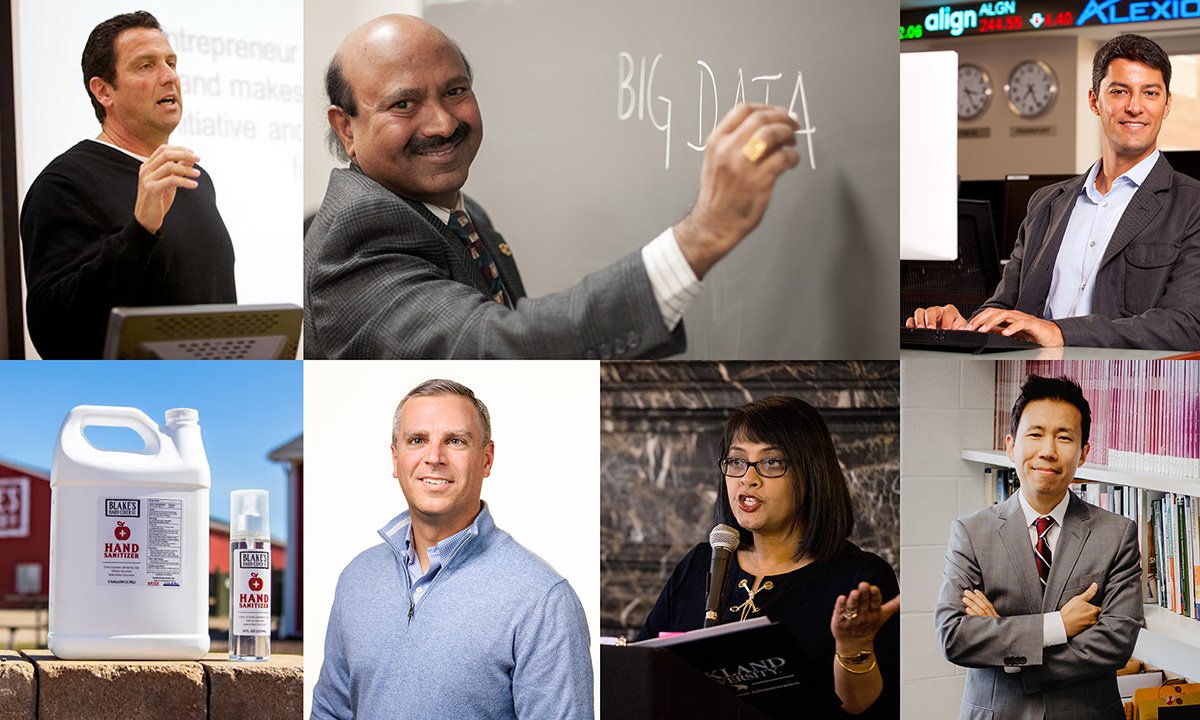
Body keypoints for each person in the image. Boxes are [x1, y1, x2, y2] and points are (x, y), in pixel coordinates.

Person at [304, 14, 801, 359]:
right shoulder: (357, 233)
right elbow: (496, 348)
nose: (441, 123)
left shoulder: (460, 211)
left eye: (455, 91)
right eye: (404, 104)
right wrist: (701, 236)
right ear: (346, 127)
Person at [311, 379, 592, 720]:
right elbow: (330, 712)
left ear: (486, 459)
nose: (434, 457)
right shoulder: (357, 577)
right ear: (395, 458)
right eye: (417, 440)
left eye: (455, 441)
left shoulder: (543, 599)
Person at [907, 34, 1200, 350]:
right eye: (1119, 91)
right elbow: (1006, 309)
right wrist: (967, 327)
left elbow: (1186, 324)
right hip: (1031, 383)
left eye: (1150, 93)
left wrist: (1061, 334)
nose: (1134, 106)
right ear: (1094, 100)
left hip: (1124, 386)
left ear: (1167, 104)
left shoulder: (1190, 204)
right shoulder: (1046, 203)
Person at [638, 396, 900, 717]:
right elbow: (640, 671)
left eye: (771, 462)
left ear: (810, 474)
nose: (748, 478)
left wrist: (852, 648)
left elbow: (863, 707)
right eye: (736, 461)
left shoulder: (859, 578)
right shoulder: (699, 563)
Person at [19, 11, 235, 360]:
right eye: (146, 66)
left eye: (170, 62)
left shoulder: (194, 177)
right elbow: (52, 331)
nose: (169, 77)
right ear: (103, 90)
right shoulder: (63, 184)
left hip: (215, 390)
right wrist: (140, 231)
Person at [934, 376, 1142, 719]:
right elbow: (954, 636)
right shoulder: (971, 532)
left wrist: (1011, 655)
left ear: (1084, 452)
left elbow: (1116, 642)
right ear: (1011, 445)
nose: (1048, 450)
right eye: (1035, 434)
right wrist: (1058, 625)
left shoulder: (1117, 533)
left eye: (1064, 437)